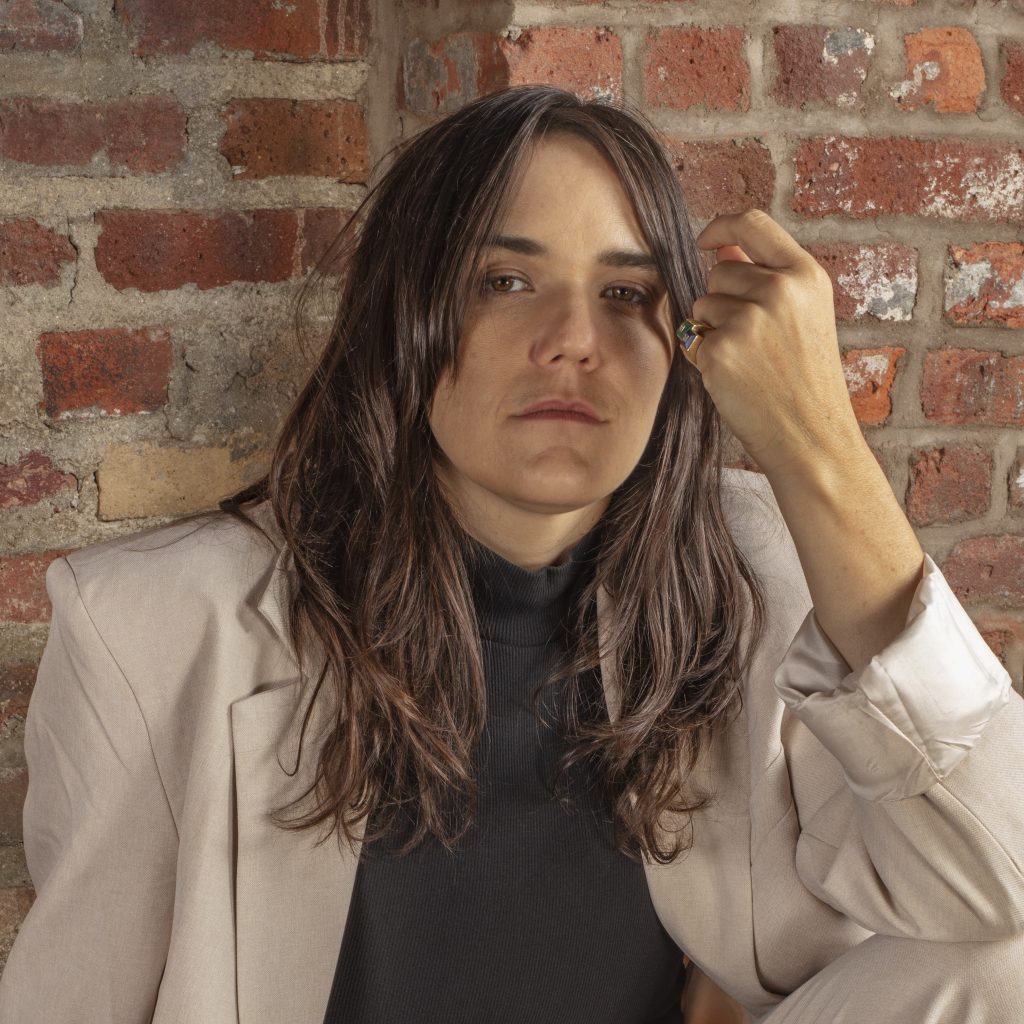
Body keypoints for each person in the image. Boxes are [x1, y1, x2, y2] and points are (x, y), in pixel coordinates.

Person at [1, 83, 1022, 1024]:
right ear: (405, 317)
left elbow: (995, 883)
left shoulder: (757, 562)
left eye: (626, 294)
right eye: (505, 278)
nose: (574, 338)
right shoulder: (151, 625)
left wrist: (818, 449)